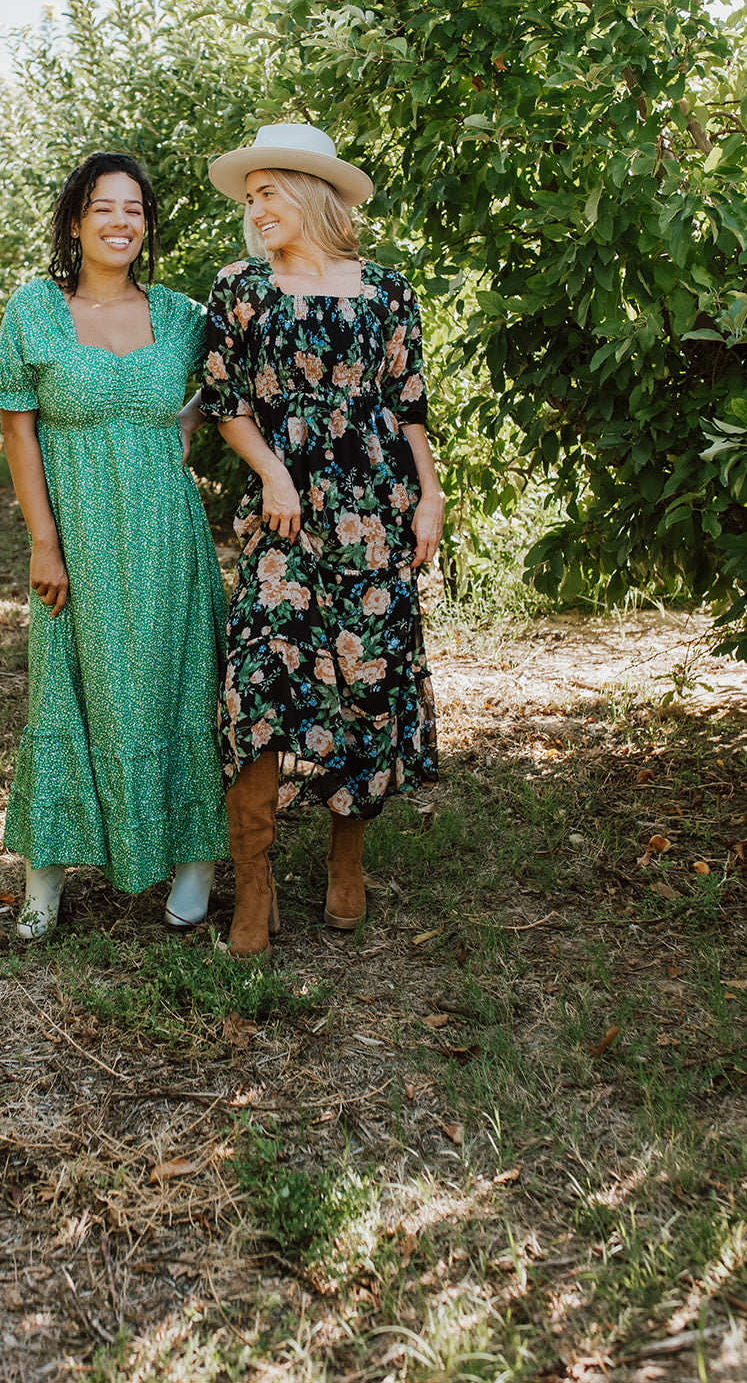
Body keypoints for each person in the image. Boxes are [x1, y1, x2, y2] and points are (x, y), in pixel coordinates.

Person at [200, 123, 443, 957]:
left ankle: (347, 852)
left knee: (364, 680)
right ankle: (255, 876)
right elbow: (227, 405)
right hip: (283, 515)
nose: (254, 207)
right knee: (259, 676)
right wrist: (272, 471)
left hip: (375, 510)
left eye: (267, 192)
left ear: (309, 192)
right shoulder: (239, 286)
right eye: (250, 194)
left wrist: (431, 499)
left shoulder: (386, 290)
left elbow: (409, 408)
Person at [0, 152, 228, 939]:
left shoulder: (183, 316)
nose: (121, 222)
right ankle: (43, 883)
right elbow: (18, 429)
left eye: (134, 210)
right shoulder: (33, 309)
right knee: (64, 689)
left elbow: (241, 382)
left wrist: (184, 422)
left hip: (166, 534)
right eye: (104, 207)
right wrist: (42, 541)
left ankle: (193, 867)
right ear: (74, 220)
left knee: (178, 683)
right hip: (78, 536)